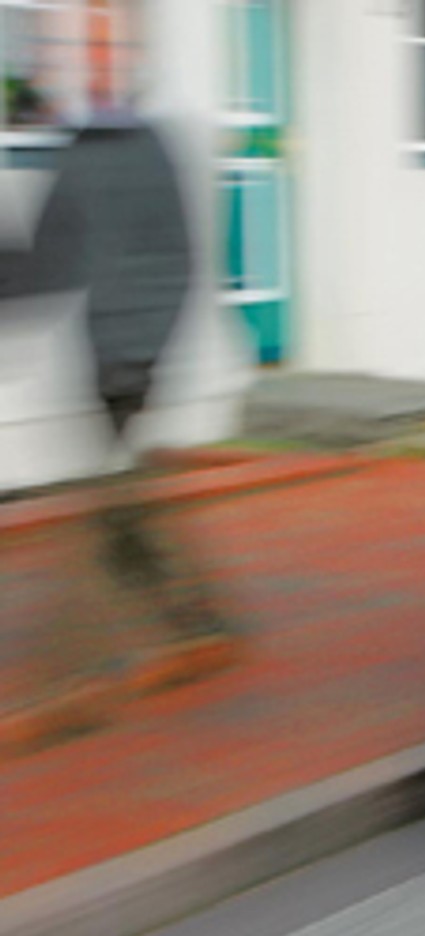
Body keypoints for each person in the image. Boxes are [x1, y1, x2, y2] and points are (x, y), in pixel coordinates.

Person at [0, 17, 233, 751]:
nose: (90, 61)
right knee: (128, 505)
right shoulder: (79, 149)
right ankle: (201, 628)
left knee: (96, 522)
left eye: (105, 47)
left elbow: (180, 258)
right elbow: (46, 260)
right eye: (82, 47)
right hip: (99, 356)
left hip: (134, 358)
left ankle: (70, 683)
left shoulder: (148, 149)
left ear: (130, 60)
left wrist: (143, 349)